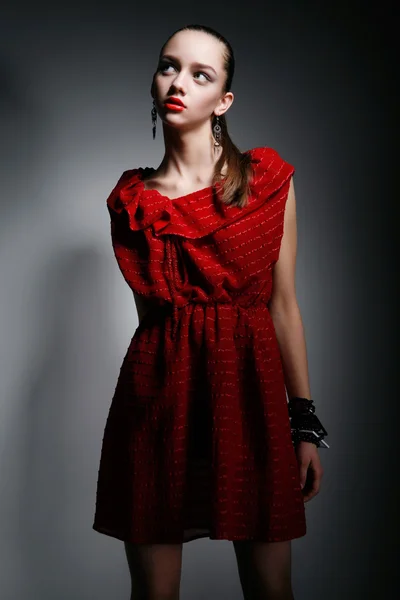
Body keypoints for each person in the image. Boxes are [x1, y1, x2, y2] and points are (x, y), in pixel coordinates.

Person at [92, 24, 329, 600]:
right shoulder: (133, 203)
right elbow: (154, 319)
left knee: (272, 590)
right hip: (159, 394)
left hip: (249, 392)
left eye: (201, 74)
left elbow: (283, 305)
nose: (179, 82)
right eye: (169, 67)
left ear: (223, 100)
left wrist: (304, 423)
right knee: (154, 594)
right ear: (154, 82)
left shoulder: (269, 182)